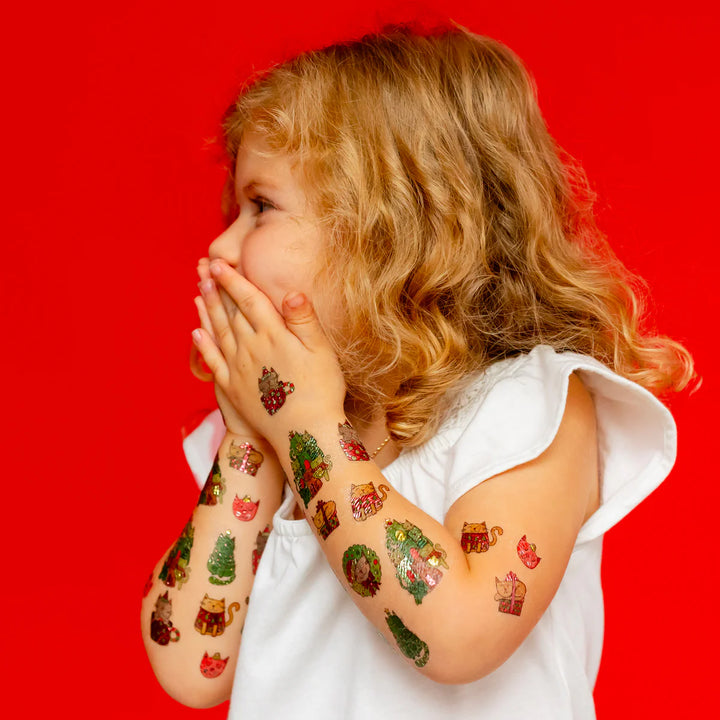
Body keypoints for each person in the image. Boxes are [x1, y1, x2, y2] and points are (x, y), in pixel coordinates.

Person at [140, 24, 694, 719]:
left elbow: (459, 637)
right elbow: (193, 665)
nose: (222, 244)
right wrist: (256, 436)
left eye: (260, 207)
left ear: (388, 230)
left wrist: (309, 430)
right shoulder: (281, 431)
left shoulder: (530, 408)